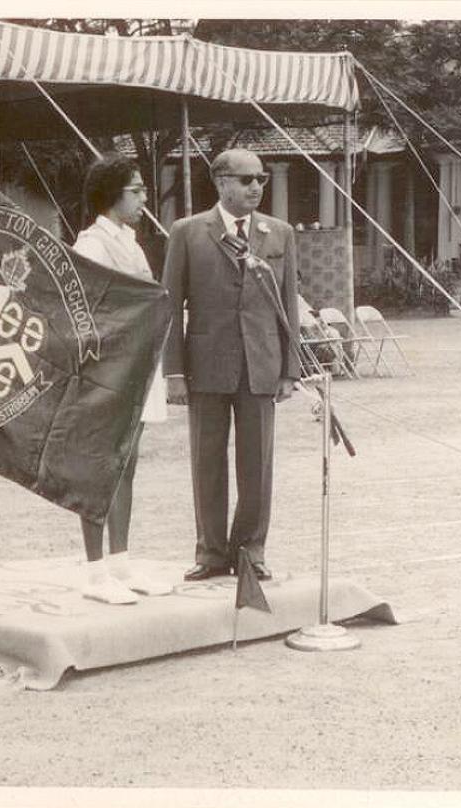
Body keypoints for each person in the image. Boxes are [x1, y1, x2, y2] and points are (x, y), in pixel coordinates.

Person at [162, 148, 300, 583]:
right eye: (245, 180)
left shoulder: (279, 233)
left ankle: (250, 550)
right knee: (207, 460)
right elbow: (169, 305)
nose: (256, 186)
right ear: (220, 182)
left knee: (258, 463)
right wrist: (174, 372)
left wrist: (289, 369)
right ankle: (211, 552)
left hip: (261, 364)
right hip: (206, 365)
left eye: (261, 179)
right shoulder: (187, 233)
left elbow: (288, 304)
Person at [69, 153, 171, 604]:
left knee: (126, 467)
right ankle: (94, 572)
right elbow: (92, 312)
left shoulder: (132, 241)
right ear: (112, 195)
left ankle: (121, 564)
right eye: (137, 190)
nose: (144, 198)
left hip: (138, 366)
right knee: (99, 469)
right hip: (108, 371)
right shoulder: (90, 244)